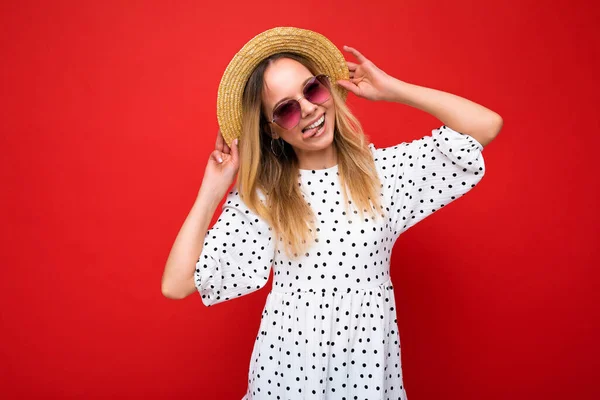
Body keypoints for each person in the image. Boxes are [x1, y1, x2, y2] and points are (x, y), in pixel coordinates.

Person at [161, 27, 502, 400]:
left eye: (312, 89)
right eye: (286, 110)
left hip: (367, 374)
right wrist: (213, 189)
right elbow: (175, 285)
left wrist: (393, 89)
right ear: (272, 131)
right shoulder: (266, 196)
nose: (308, 109)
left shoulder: (382, 175)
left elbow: (486, 125)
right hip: (287, 377)